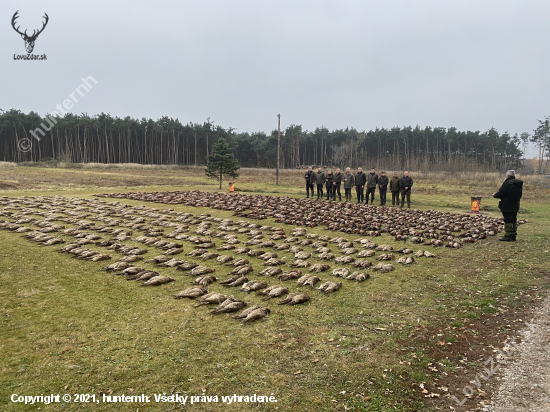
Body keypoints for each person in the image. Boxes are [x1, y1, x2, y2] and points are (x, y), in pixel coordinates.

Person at [492, 170, 523, 241]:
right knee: (513, 219)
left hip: (507, 205)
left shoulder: (507, 183)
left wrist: (494, 195)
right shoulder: (518, 184)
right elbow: (520, 195)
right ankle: (513, 235)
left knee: (508, 219)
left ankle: (508, 236)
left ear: (507, 175)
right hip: (515, 204)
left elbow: (501, 193)